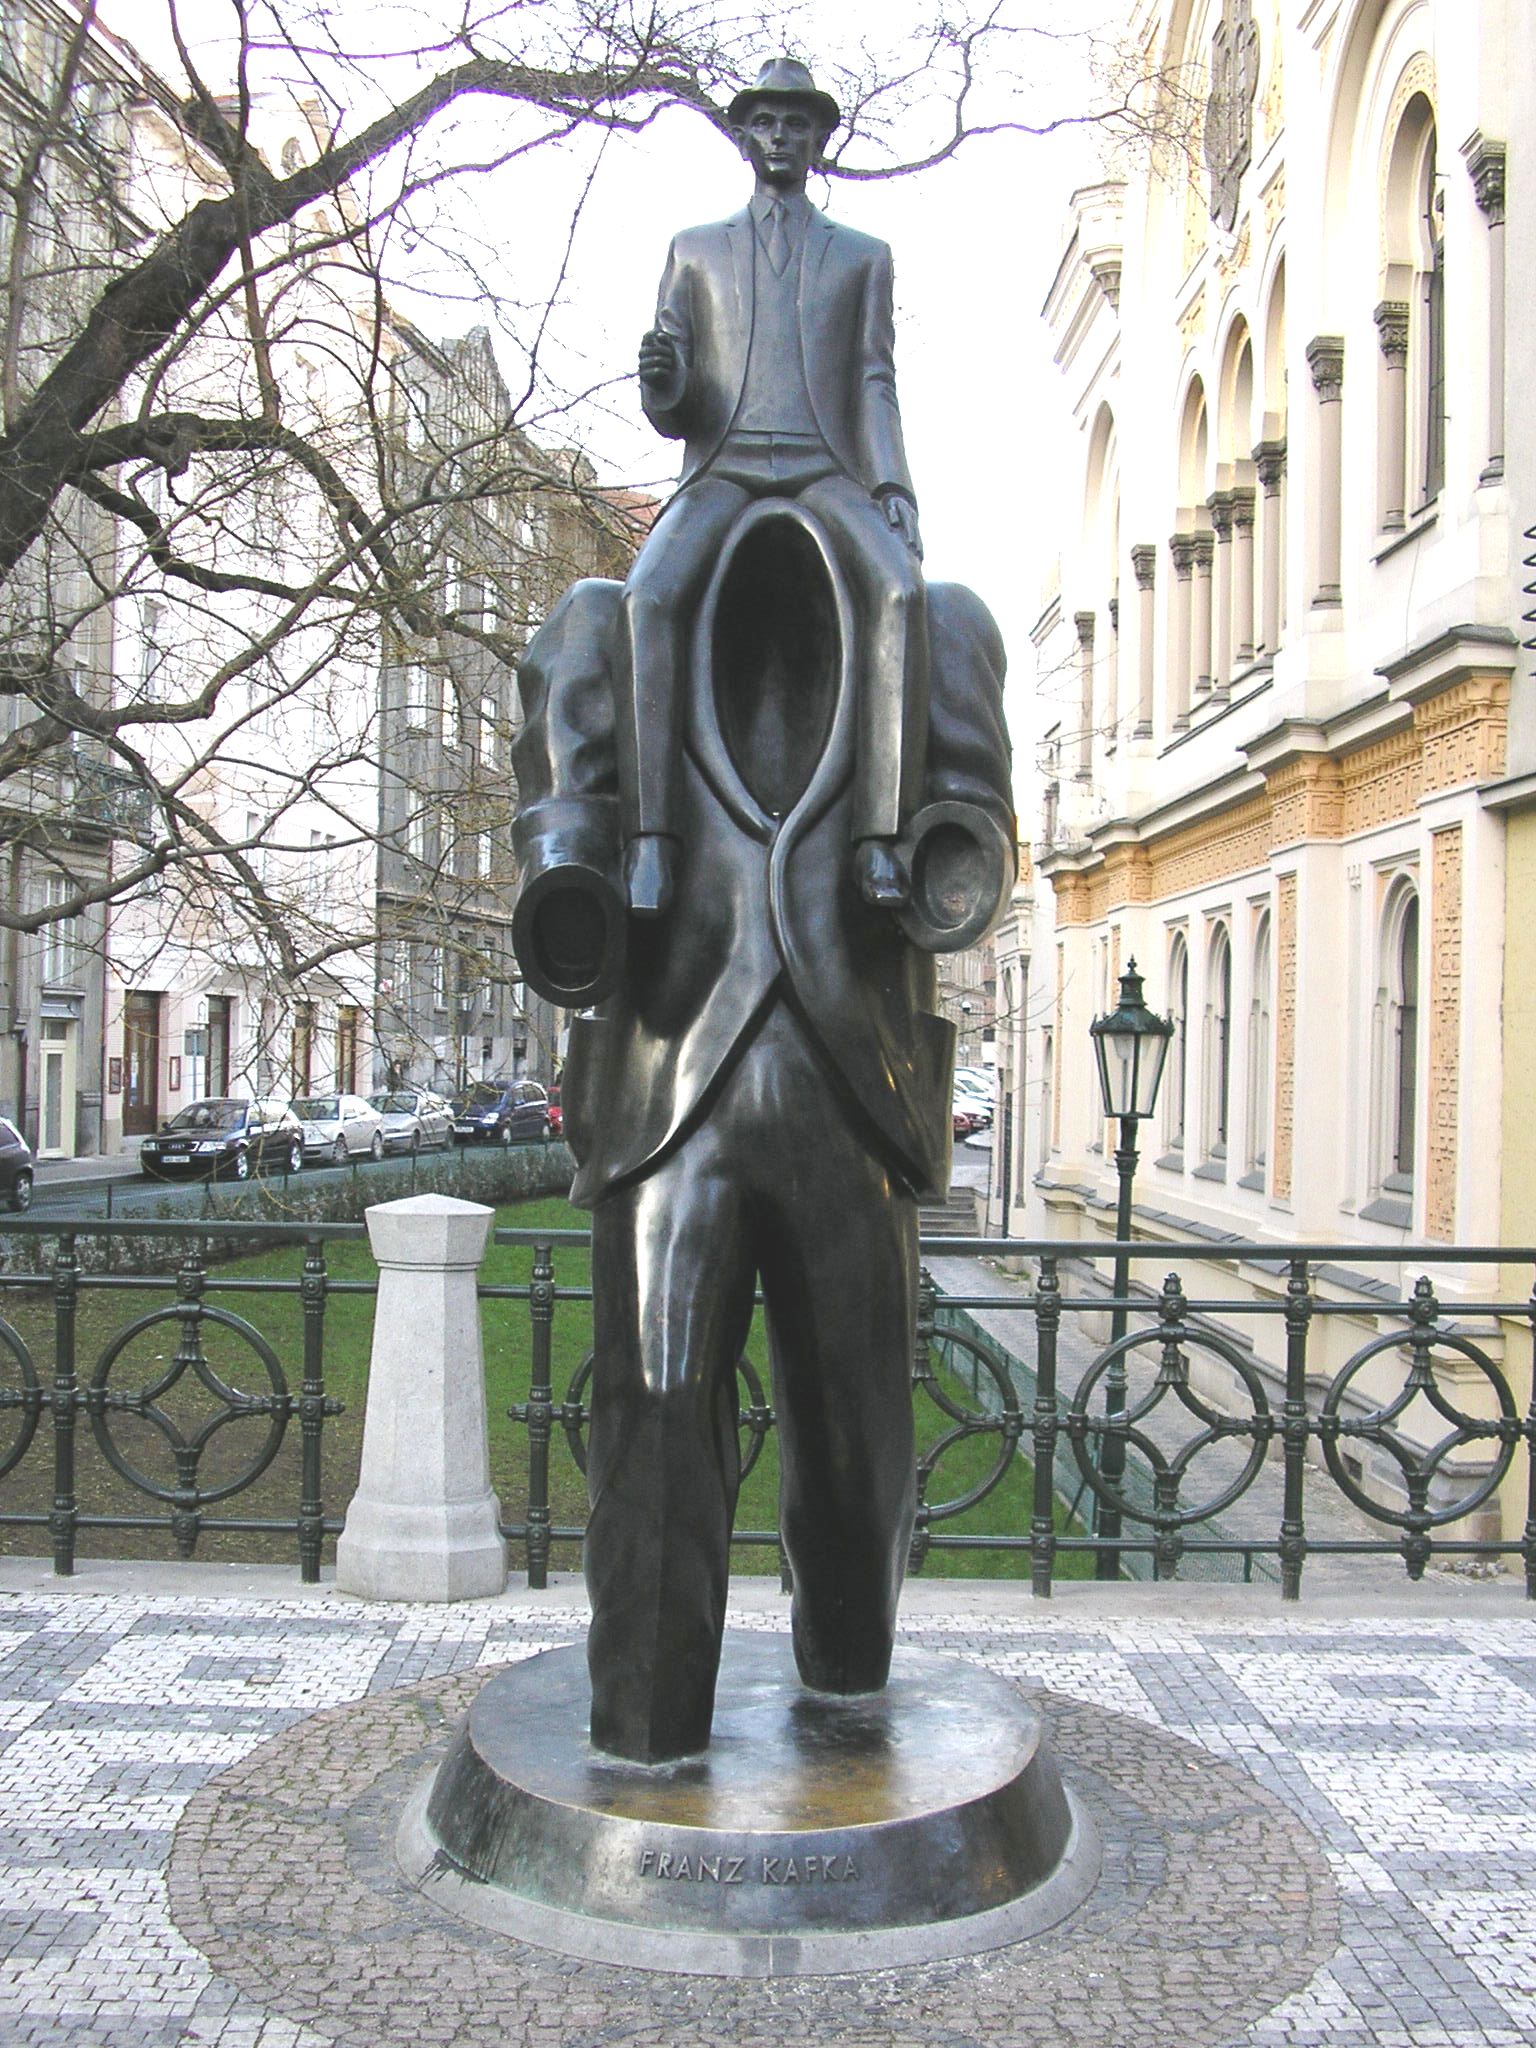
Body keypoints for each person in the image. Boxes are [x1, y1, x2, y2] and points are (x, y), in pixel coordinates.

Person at [617, 57, 928, 920]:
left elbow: (874, 380)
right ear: (746, 134)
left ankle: (878, 839)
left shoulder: (864, 257)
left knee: (899, 591)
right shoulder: (694, 250)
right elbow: (675, 405)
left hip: (824, 467)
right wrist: (661, 382)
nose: (782, 139)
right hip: (724, 466)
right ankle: (651, 844)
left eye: (798, 125)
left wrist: (894, 484)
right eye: (767, 124)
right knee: (646, 599)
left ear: (820, 138)